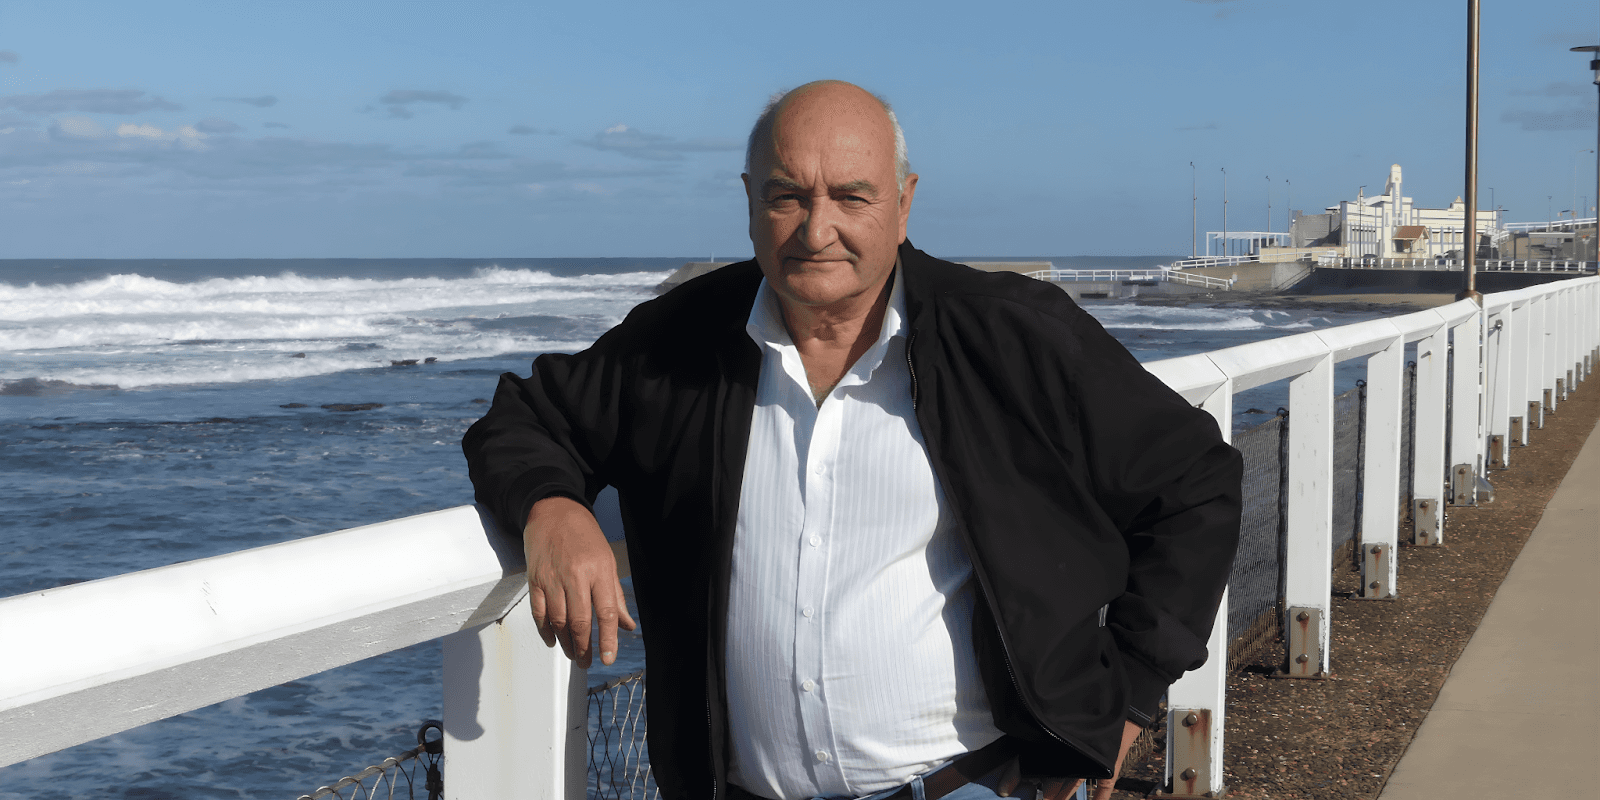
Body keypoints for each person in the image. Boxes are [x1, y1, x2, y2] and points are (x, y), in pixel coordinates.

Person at [463, 80, 1241, 800]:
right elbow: (525, 417)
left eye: (850, 196)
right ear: (749, 200)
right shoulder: (680, 342)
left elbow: (1195, 481)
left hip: (971, 786)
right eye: (787, 196)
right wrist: (552, 509)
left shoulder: (1009, 336)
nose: (817, 228)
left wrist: (1129, 693)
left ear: (903, 203)